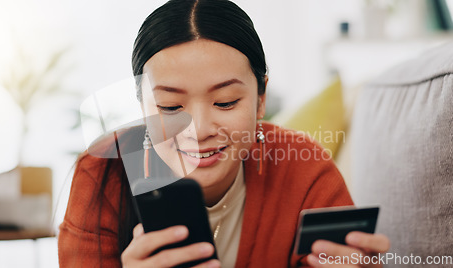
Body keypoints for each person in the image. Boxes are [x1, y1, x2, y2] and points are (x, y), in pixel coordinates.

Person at [58, 0, 390, 267]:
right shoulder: (101, 174)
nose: (199, 131)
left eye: (226, 102)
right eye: (170, 107)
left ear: (260, 100)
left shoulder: (304, 169)